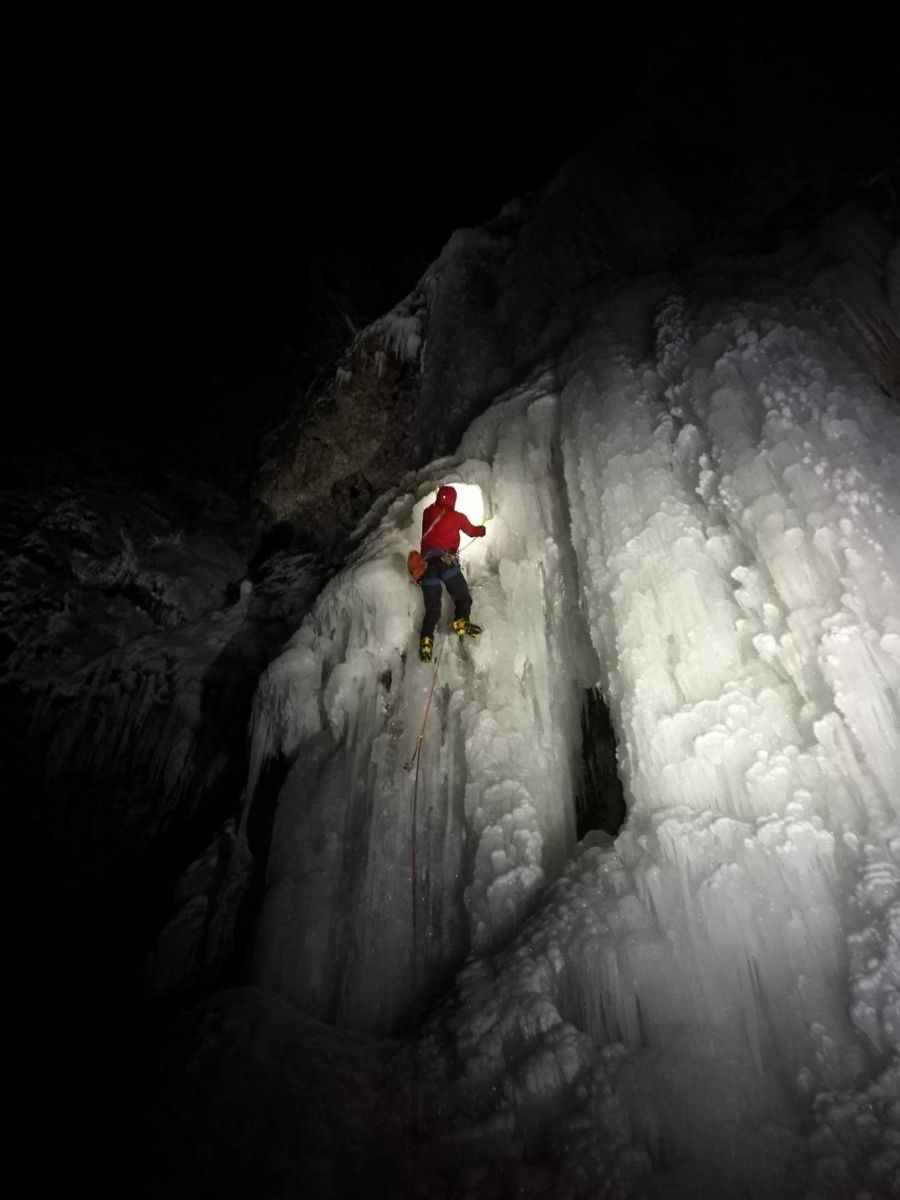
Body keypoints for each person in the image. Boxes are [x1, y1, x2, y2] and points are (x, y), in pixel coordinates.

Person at [417, 485, 486, 663]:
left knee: (433, 609)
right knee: (462, 596)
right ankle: (462, 620)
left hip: (426, 565)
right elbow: (472, 531)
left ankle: (426, 640)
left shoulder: (427, 512)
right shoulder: (457, 517)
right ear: (454, 501)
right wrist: (482, 530)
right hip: (446, 560)